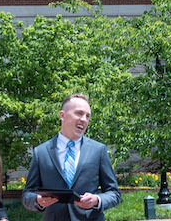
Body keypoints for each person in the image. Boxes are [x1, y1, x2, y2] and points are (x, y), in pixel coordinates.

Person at [23, 93, 121, 221]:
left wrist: (97, 200)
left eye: (87, 116)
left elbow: (114, 194)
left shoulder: (98, 150)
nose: (84, 119)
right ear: (62, 115)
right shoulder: (41, 152)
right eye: (79, 113)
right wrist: (37, 200)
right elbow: (27, 195)